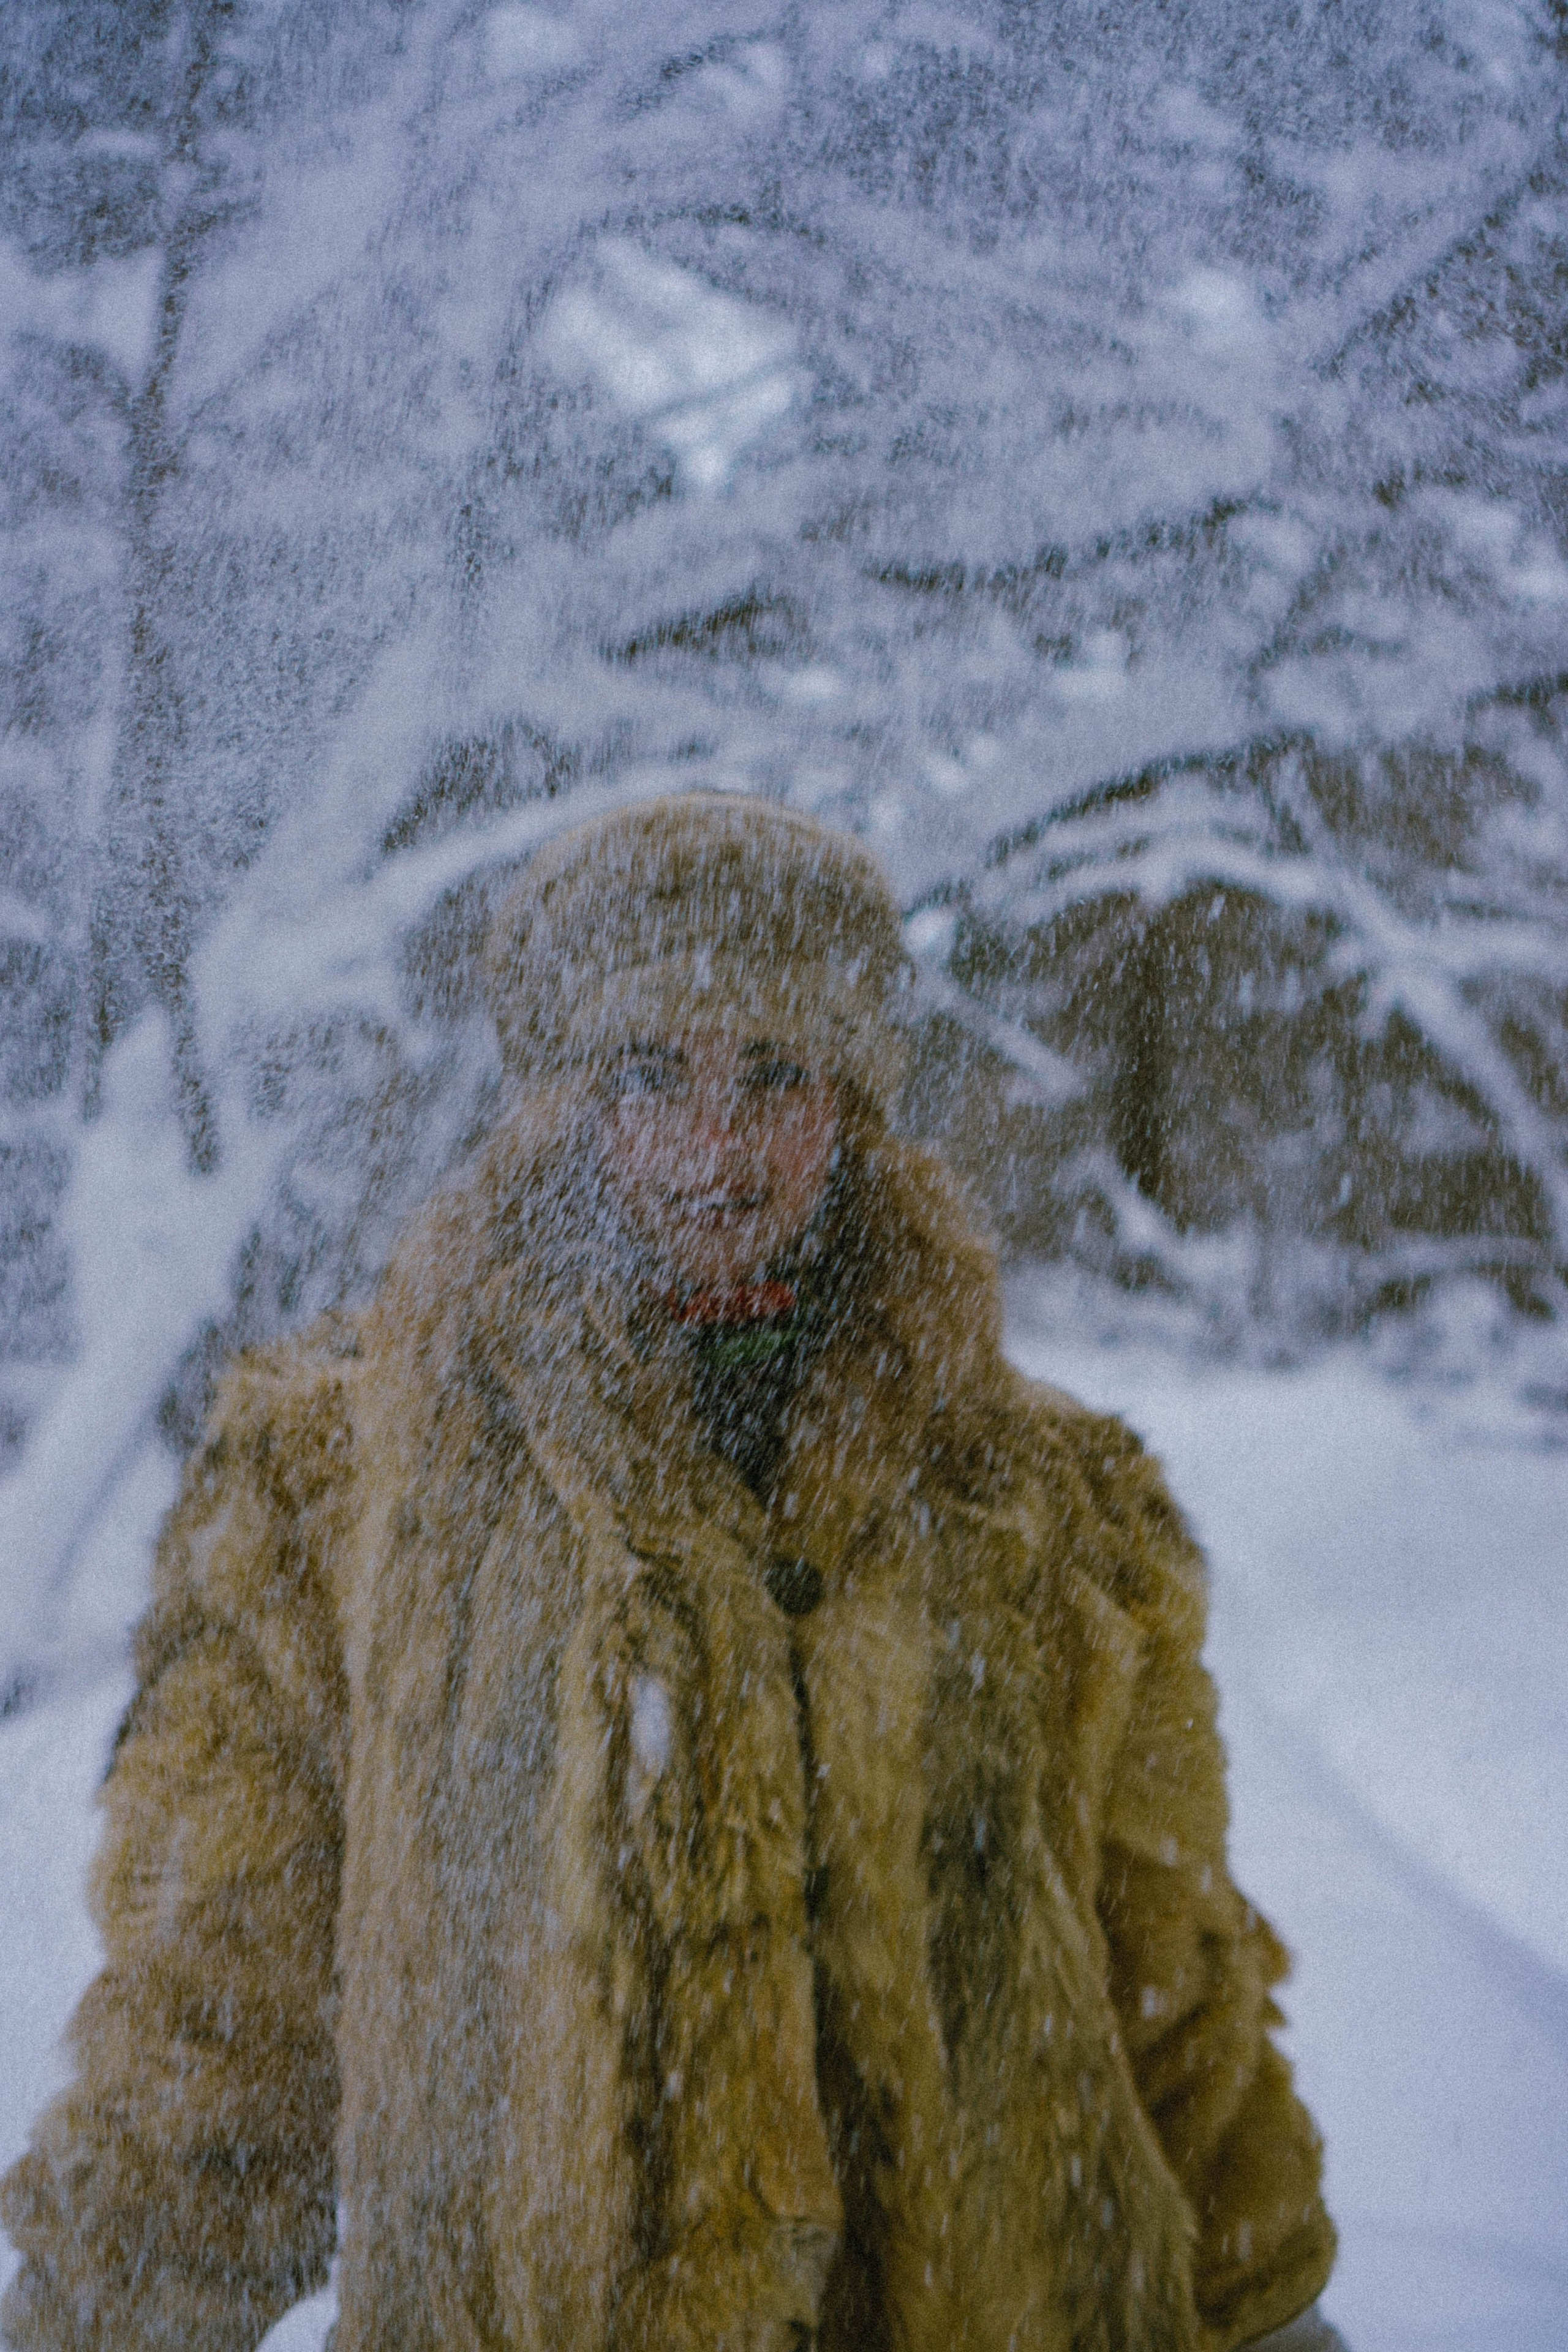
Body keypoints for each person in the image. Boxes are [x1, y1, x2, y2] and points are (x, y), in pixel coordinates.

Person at [1, 796, 1342, 2352]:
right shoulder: (337, 1490)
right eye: (649, 1075)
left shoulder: (1049, 1502)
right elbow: (219, 2013)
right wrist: (105, 2315)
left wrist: (1268, 2320)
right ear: (560, 1107)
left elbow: (1170, 1991)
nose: (716, 1150)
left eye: (773, 1075)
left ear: (849, 1102)